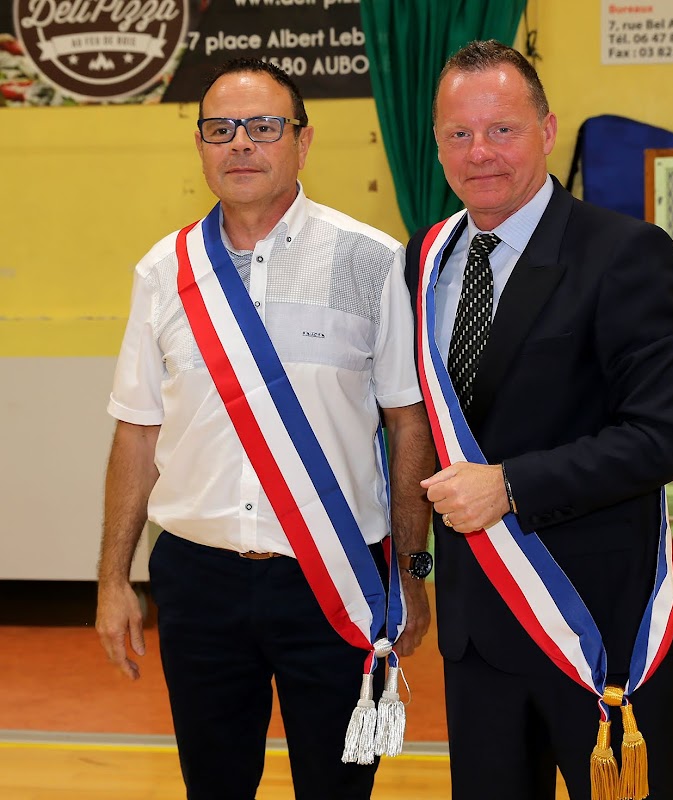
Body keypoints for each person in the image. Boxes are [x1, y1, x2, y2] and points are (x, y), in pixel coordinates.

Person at [96, 57, 436, 800]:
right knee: (213, 786)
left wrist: (412, 572)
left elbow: (406, 422)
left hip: (334, 575)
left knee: (337, 787)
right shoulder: (164, 271)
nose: (241, 143)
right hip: (199, 580)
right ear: (200, 145)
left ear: (303, 141)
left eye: (263, 126)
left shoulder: (372, 259)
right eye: (221, 129)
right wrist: (113, 579)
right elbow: (137, 432)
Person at [405, 41, 673, 800]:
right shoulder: (424, 259)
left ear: (547, 129)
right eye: (459, 134)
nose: (479, 152)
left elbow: (663, 435)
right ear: (436, 144)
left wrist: (510, 485)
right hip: (476, 633)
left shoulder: (624, 252)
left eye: (502, 129)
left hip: (597, 626)